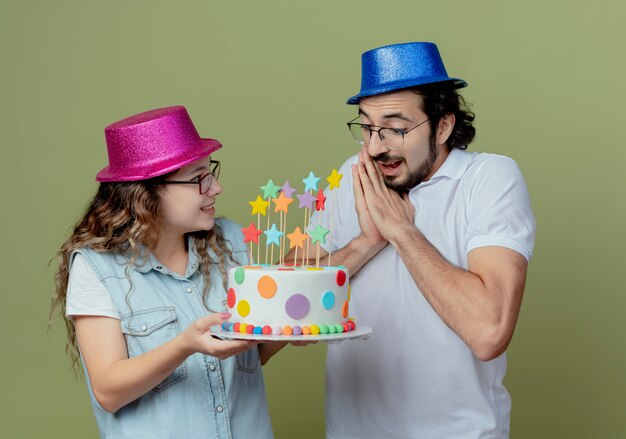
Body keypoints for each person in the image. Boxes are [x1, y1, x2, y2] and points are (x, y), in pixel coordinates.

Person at [285, 42, 536, 438]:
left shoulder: (488, 179)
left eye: (396, 128)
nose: (374, 146)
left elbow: (489, 333)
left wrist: (402, 232)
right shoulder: (355, 175)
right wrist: (366, 243)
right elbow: (284, 311)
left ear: (443, 125)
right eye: (367, 127)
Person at [50, 106, 274, 438]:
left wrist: (295, 329)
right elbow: (108, 391)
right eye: (198, 178)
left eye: (209, 172)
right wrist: (185, 345)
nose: (215, 188)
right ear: (147, 193)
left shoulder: (232, 241)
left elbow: (252, 352)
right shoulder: (96, 267)